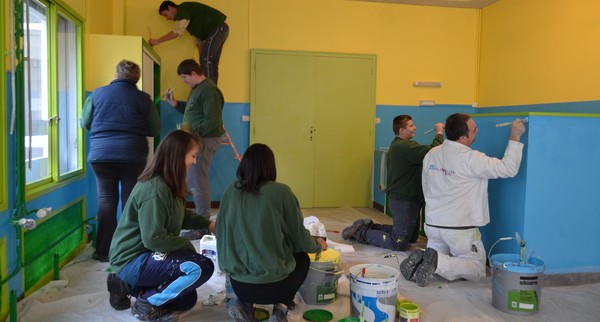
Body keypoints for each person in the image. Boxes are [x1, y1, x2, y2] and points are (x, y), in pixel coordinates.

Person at [400, 113, 526, 287]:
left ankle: (427, 258)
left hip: (433, 224)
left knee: (437, 255)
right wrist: (515, 136)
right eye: (474, 130)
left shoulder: (432, 154)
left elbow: (426, 185)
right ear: (463, 137)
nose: (478, 131)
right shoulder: (472, 159)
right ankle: (437, 261)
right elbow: (508, 168)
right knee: (476, 268)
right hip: (460, 230)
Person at [106, 130, 216, 321]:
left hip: (147, 253)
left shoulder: (169, 183)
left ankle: (127, 286)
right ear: (178, 156)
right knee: (201, 267)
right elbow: (154, 239)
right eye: (193, 156)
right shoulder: (155, 190)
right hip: (133, 258)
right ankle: (146, 304)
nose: (194, 161)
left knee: (186, 299)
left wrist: (209, 224)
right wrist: (186, 246)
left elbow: (181, 217)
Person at [216, 143, 328, 322]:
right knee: (302, 258)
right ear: (270, 166)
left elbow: (222, 233)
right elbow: (300, 240)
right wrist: (317, 244)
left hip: (239, 285)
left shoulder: (231, 191)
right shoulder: (281, 192)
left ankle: (243, 305)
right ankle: (281, 309)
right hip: (276, 287)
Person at [81, 59, 160, 262]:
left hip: (101, 154)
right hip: (133, 155)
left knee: (106, 200)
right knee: (130, 202)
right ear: (137, 79)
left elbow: (85, 122)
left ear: (116, 75)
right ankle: (129, 250)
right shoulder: (143, 99)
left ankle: (103, 251)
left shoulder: (97, 94)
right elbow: (154, 129)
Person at [342, 115, 444, 251]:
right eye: (411, 126)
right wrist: (439, 133)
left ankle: (369, 226)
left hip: (410, 200)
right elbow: (433, 151)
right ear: (402, 130)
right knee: (398, 243)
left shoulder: (400, 146)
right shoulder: (404, 147)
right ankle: (360, 233)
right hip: (403, 201)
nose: (415, 128)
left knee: (411, 237)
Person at [165, 59, 225, 239]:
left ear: (193, 73)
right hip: (197, 139)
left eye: (184, 77)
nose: (183, 81)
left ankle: (204, 226)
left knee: (197, 181)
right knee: (194, 180)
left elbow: (212, 121)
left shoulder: (209, 90)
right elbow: (192, 111)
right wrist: (175, 103)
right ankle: (201, 222)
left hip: (204, 140)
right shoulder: (197, 90)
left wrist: (192, 135)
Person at [149, 1, 229, 84]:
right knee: (211, 63)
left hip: (218, 28)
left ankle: (208, 90)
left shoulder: (183, 9)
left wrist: (157, 41)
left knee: (207, 60)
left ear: (170, 8)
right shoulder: (189, 21)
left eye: (165, 14)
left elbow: (176, 32)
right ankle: (213, 92)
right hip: (220, 29)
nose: (167, 18)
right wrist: (202, 60)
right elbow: (199, 42)